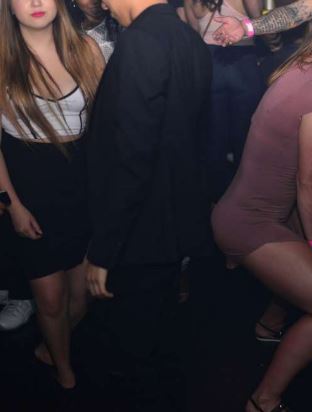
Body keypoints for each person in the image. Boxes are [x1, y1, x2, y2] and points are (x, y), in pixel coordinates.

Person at [211, 2, 312, 410]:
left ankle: (271, 323)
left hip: (252, 210)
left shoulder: (297, 71)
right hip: (249, 222)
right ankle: (263, 400)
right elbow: (308, 179)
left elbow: (297, 170)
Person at [85, 0, 212, 408]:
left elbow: (132, 157)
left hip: (141, 231)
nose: (104, 3)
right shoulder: (189, 39)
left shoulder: (141, 41)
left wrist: (104, 250)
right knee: (161, 344)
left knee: (133, 355)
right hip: (171, 225)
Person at [0, 0, 104, 389]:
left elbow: (105, 128)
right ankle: (64, 371)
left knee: (83, 295)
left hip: (80, 192)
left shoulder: (87, 50)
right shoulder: (2, 59)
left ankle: (49, 348)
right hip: (30, 196)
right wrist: (13, 205)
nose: (36, 2)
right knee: (49, 299)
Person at [184, 0, 265, 201]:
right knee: (245, 137)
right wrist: (275, 45)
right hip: (242, 59)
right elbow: (259, 20)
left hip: (209, 61)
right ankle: (244, 199)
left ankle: (215, 200)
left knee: (213, 137)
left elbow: (194, 31)